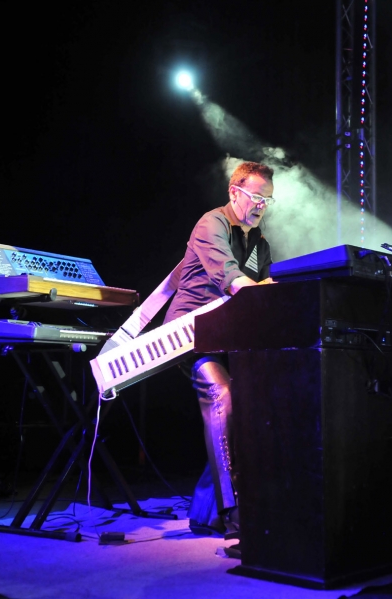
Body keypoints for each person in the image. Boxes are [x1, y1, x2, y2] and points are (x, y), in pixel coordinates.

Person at [164, 161, 276, 540]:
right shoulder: (211, 223)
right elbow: (233, 280)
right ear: (234, 192)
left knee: (260, 401)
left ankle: (204, 511)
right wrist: (264, 290)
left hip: (231, 337)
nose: (261, 205)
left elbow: (265, 290)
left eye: (267, 199)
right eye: (256, 196)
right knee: (223, 396)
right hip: (192, 336)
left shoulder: (259, 243)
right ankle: (234, 515)